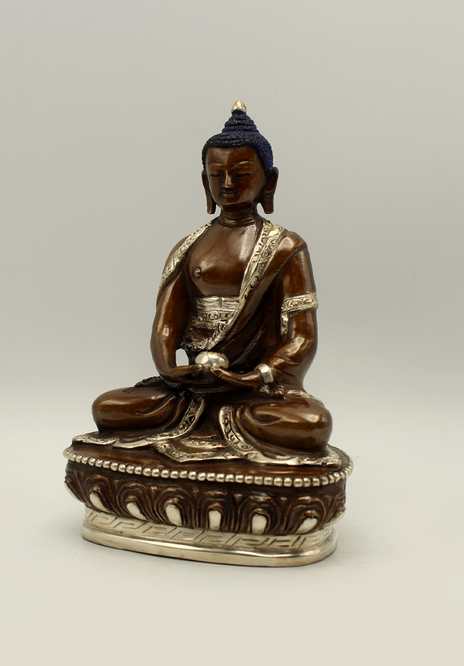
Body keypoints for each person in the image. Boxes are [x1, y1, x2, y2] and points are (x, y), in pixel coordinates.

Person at [88, 102, 333, 464]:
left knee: (311, 425)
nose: (228, 184)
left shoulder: (286, 248)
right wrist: (171, 370)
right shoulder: (189, 247)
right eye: (217, 175)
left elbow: (302, 337)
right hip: (192, 388)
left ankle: (221, 420)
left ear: (269, 181)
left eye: (242, 174)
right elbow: (166, 326)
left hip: (255, 393)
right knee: (108, 407)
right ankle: (208, 420)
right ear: (205, 181)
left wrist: (255, 377)